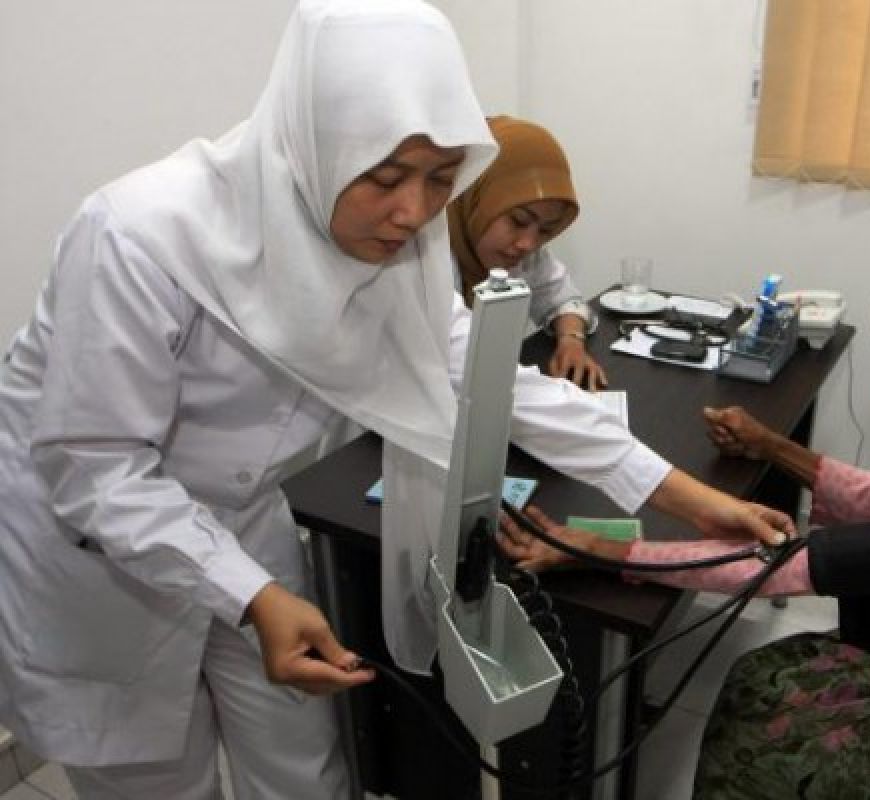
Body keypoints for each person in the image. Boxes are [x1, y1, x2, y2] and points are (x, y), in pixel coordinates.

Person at [0, 2, 792, 798]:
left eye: (442, 180)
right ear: (317, 141)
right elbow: (95, 464)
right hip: (94, 545)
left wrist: (683, 497)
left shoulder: (403, 246)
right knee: (155, 777)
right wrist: (251, 595)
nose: (414, 212)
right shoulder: (138, 236)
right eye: (384, 177)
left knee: (302, 755)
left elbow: (488, 379)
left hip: (241, 520)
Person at [500, 270, 870, 798]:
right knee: (754, 676)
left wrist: (593, 549)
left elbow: (778, 568)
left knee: (752, 726)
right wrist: (772, 447)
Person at [448, 115, 608, 390]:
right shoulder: (421, 255)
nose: (528, 244)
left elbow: (563, 299)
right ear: (476, 195)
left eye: (546, 230)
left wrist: (571, 340)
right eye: (518, 221)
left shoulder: (521, 254)